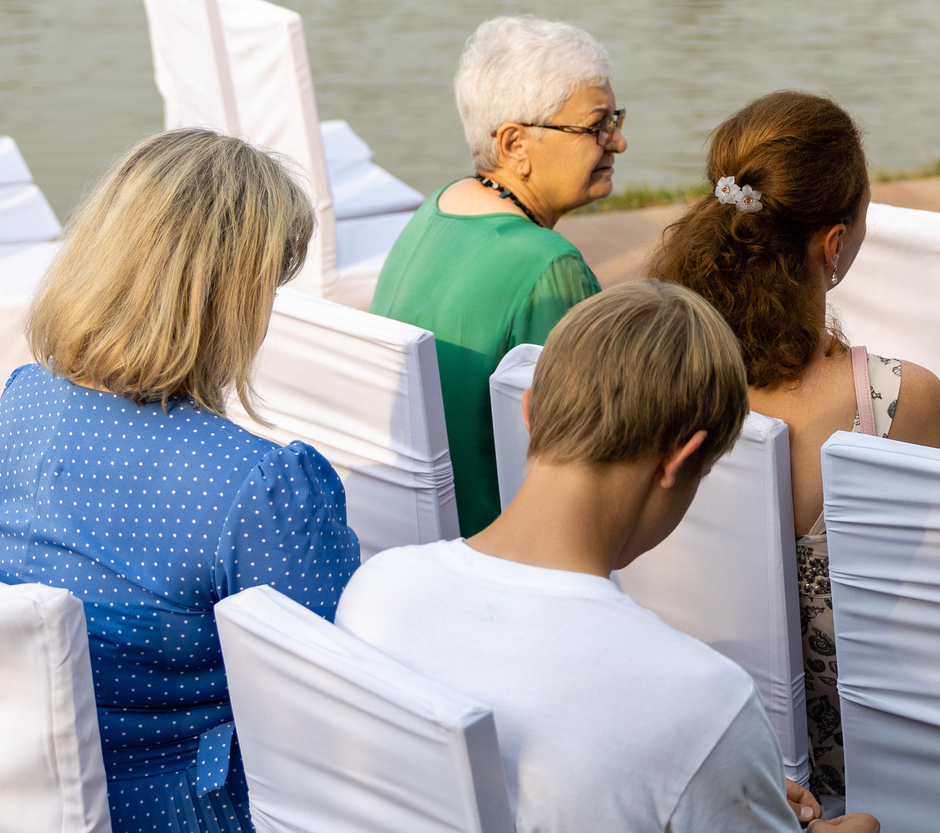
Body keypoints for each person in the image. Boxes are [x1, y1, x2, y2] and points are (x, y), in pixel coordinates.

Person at [337, 282, 879, 833]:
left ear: (529, 412)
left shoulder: (375, 592)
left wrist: (721, 780)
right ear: (680, 459)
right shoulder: (698, 701)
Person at [0, 130, 360, 833]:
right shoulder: (264, 486)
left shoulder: (21, 401)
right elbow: (336, 713)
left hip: (25, 790)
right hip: (190, 810)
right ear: (226, 299)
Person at [646, 91, 940, 808]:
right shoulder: (899, 402)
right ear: (835, 243)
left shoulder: (659, 386)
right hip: (865, 779)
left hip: (699, 755)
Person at [369, 15, 621, 533]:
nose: (617, 143)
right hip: (505, 546)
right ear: (514, 145)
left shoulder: (438, 208)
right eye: (596, 127)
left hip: (420, 534)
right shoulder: (550, 267)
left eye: (614, 119)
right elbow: (594, 461)